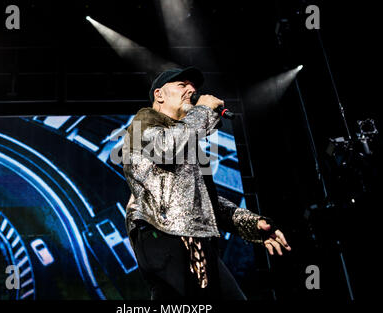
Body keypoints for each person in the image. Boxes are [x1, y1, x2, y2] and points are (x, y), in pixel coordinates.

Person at [122, 66, 291, 300]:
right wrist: (202, 110)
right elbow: (164, 149)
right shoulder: (144, 121)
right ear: (159, 95)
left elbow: (202, 201)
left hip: (196, 240)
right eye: (182, 85)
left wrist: (252, 223)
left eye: (193, 87)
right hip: (164, 235)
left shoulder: (187, 143)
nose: (191, 90)